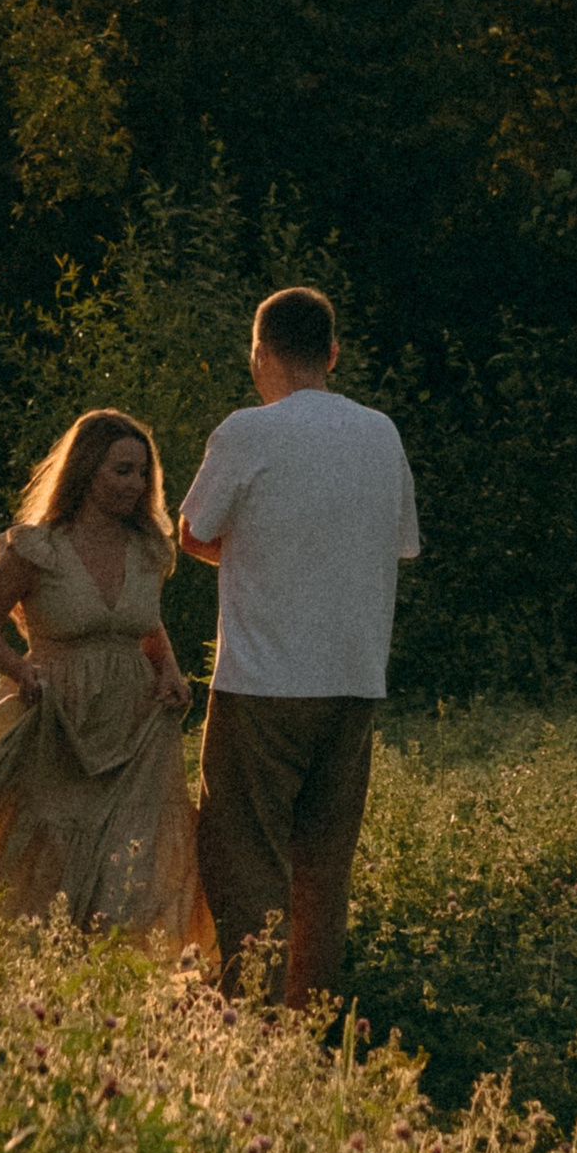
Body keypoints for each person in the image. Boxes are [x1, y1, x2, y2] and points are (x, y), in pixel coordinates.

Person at [0, 409, 213, 955]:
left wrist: (168, 670)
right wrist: (20, 669)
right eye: (120, 471)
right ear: (85, 471)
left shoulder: (149, 549)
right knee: (46, 840)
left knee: (133, 846)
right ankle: (26, 954)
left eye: (142, 473)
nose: (135, 485)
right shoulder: (38, 547)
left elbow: (145, 624)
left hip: (135, 722)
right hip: (60, 716)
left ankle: (113, 969)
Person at [177, 287, 420, 1012]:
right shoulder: (381, 433)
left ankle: (249, 1024)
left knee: (244, 860)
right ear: (333, 354)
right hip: (354, 679)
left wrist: (255, 556)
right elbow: (396, 546)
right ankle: (309, 1027)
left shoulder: (247, 432)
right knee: (324, 868)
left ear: (260, 353)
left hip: (262, 681)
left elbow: (190, 532)